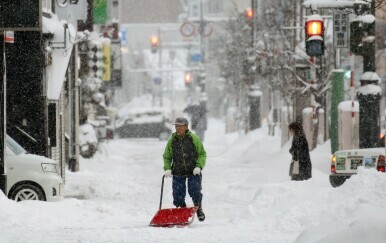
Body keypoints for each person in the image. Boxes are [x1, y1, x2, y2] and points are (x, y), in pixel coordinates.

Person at [163, 117, 207, 221]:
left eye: (180, 126)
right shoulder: (172, 141)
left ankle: (198, 208)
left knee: (195, 190)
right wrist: (168, 168)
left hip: (193, 171)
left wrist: (198, 166)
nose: (177, 128)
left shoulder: (194, 138)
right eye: (176, 126)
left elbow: (202, 154)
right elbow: (167, 156)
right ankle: (182, 211)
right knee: (178, 194)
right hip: (178, 170)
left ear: (186, 126)